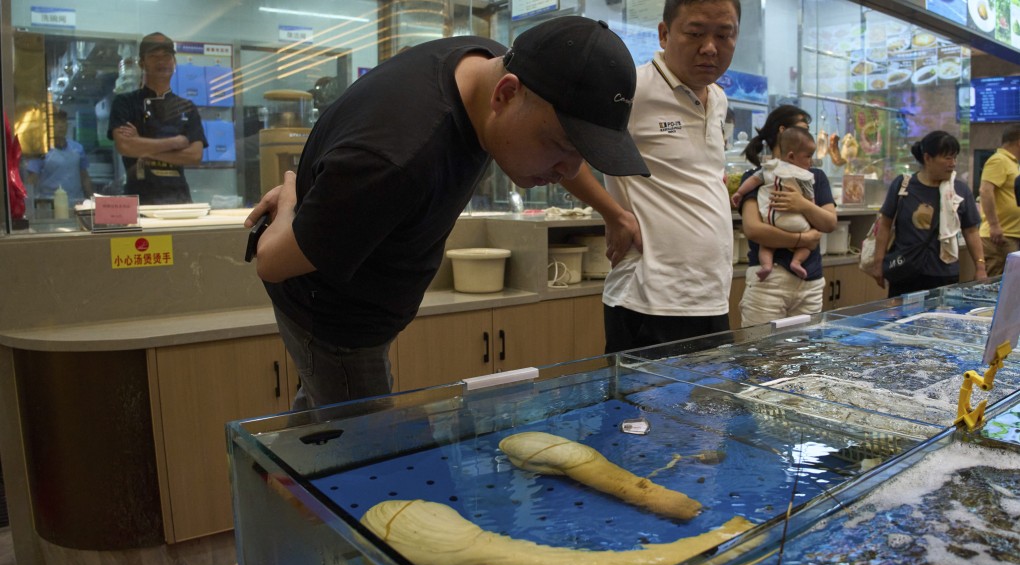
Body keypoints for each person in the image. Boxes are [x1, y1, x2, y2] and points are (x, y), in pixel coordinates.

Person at [246, 17, 649, 409]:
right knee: (356, 459)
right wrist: (292, 197)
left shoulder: (490, 63)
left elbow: (560, 154)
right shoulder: (393, 161)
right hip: (335, 321)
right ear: (505, 95)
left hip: (366, 282)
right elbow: (271, 262)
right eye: (560, 146)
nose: (568, 170)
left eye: (583, 155)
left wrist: (611, 211)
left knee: (315, 430)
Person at [560, 0, 741, 353]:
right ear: (663, 33)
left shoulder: (718, 98)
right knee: (638, 409)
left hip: (711, 296)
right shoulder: (631, 89)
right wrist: (614, 214)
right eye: (695, 33)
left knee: (713, 407)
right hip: (647, 299)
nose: (710, 47)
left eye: (724, 35)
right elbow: (558, 154)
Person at [737, 105, 836, 328]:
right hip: (768, 282)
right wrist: (804, 239)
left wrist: (801, 204)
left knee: (804, 354)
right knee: (761, 355)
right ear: (783, 132)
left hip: (810, 281)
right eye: (804, 129)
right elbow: (754, 230)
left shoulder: (815, 176)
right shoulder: (756, 176)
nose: (809, 135)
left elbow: (829, 222)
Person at [865, 131, 986, 297]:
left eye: (955, 158)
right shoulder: (903, 185)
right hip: (904, 271)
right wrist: (878, 262)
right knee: (900, 321)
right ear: (928, 158)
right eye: (947, 158)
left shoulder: (959, 190)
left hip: (943, 272)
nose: (953, 164)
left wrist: (980, 267)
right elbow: (885, 224)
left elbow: (971, 231)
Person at [107, 32, 206, 205]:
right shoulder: (125, 103)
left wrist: (141, 147)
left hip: (179, 201)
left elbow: (194, 156)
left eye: (166, 56)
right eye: (153, 56)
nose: (161, 61)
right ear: (142, 63)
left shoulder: (187, 107)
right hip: (139, 201)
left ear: (174, 62)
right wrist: (175, 143)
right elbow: (125, 145)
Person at [731, 126, 816, 280]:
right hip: (797, 224)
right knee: (808, 245)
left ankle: (767, 265)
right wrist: (811, 213)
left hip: (770, 220)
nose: (811, 161)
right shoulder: (804, 176)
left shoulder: (769, 168)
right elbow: (811, 203)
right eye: (808, 156)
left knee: (766, 245)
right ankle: (796, 262)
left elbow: (753, 180)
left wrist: (739, 193)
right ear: (791, 156)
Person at [977, 124, 1020, 276]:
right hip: (999, 237)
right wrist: (994, 225)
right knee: (996, 285)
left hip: (1011, 235)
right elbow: (985, 191)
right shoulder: (999, 160)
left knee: (1012, 285)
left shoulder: (1013, 164)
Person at [24, 110, 92, 203]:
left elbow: (85, 178)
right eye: (55, 122)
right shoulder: (41, 151)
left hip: (76, 203)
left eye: (63, 121)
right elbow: (32, 180)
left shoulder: (77, 148)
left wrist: (92, 201)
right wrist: (27, 204)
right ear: (48, 126)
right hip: (49, 204)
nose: (61, 126)